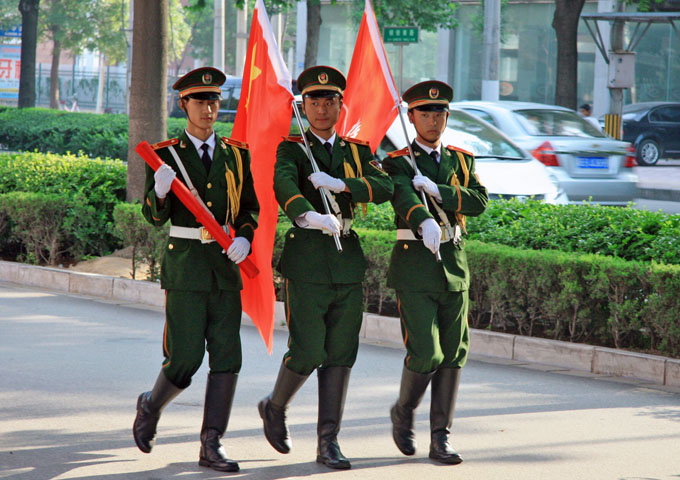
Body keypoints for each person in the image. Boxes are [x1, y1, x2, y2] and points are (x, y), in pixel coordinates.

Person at [257, 65, 393, 470]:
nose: (321, 108)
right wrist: (308, 215)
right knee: (308, 349)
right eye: (314, 101)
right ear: (305, 105)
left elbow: (385, 187)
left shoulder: (356, 151)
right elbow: (283, 184)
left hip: (346, 260)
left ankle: (328, 441)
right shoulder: (293, 149)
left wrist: (342, 185)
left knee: (340, 354)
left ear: (340, 105)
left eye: (329, 101)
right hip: (307, 260)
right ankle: (275, 405)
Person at [133, 66, 260, 473]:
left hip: (225, 269)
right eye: (200, 101)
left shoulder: (236, 154)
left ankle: (212, 443)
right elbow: (155, 217)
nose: (209, 108)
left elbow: (249, 208)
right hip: (186, 268)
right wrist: (159, 189)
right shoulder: (166, 155)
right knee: (184, 358)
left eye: (214, 101)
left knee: (227, 357)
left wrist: (244, 235)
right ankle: (151, 405)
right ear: (183, 104)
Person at [381, 80, 488, 465]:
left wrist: (441, 190)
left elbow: (479, 201)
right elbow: (402, 194)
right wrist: (424, 218)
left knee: (454, 354)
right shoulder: (397, 161)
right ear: (411, 117)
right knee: (426, 351)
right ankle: (404, 410)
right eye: (424, 113)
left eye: (439, 113)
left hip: (454, 265)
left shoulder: (461, 160)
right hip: (415, 266)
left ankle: (440, 437)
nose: (432, 120)